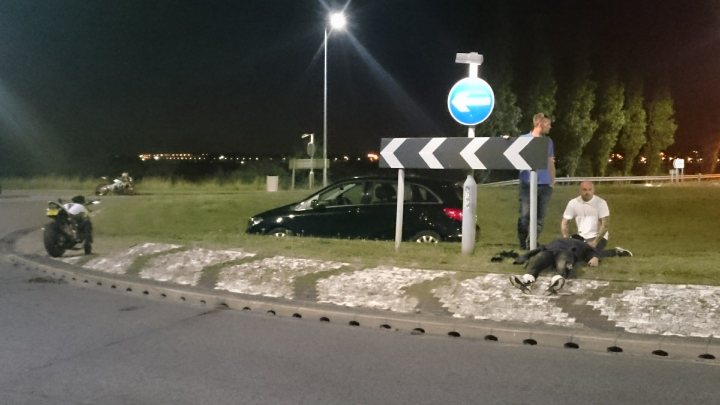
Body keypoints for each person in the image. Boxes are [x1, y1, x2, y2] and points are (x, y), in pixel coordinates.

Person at [560, 181, 632, 258]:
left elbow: (605, 225)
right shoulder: (573, 203)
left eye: (589, 189)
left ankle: (615, 251)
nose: (587, 192)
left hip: (598, 237)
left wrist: (595, 242)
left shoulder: (601, 203)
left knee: (591, 257)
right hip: (581, 237)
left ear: (593, 190)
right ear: (580, 191)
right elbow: (565, 222)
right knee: (573, 254)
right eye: (584, 190)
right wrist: (566, 239)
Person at [517, 112, 556, 250]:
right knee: (525, 215)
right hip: (527, 184)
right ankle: (523, 242)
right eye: (548, 123)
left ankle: (532, 243)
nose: (550, 127)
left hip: (545, 185)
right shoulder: (523, 139)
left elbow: (550, 161)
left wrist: (552, 181)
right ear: (540, 123)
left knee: (540, 218)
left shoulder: (548, 142)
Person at [509, 237, 599, 294]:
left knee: (537, 261)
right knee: (562, 265)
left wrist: (526, 255)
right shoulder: (582, 244)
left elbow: (540, 248)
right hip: (564, 253)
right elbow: (592, 252)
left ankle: (527, 280)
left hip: (550, 251)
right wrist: (594, 257)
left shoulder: (557, 239)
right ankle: (556, 280)